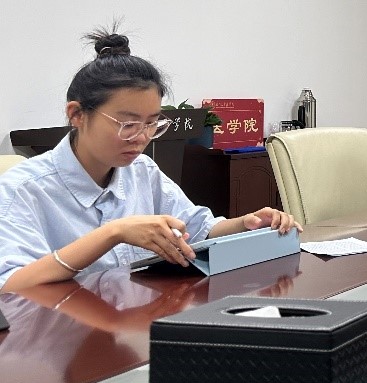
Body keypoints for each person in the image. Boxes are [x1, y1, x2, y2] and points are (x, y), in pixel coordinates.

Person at [0, 30, 298, 294]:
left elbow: (198, 229)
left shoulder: (142, 171)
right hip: (59, 333)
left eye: (152, 124)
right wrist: (113, 233)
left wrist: (247, 223)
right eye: (128, 124)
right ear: (77, 114)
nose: (142, 138)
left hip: (129, 323)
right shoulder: (22, 189)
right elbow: (10, 285)